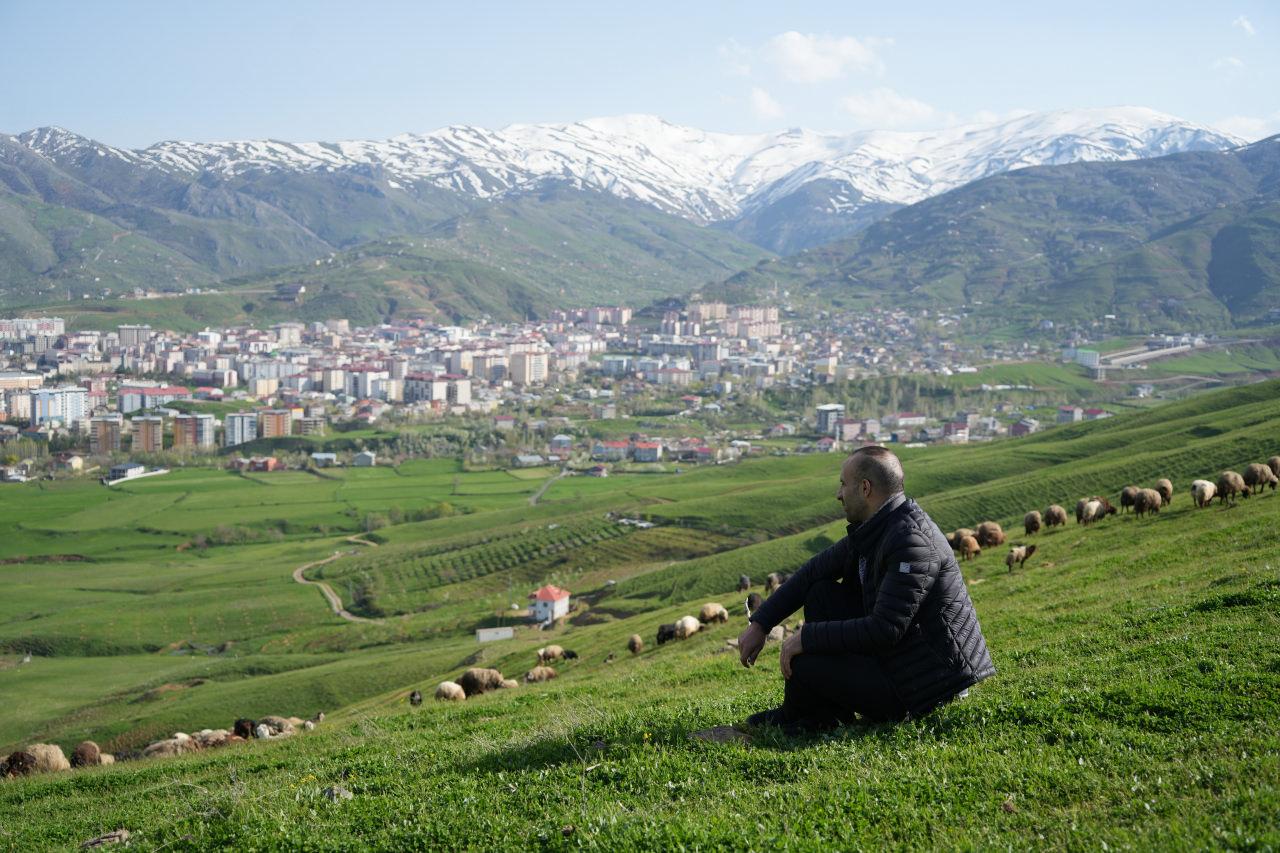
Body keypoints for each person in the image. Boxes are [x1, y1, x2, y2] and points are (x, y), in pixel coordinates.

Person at [737, 445, 994, 733]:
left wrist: (807, 638)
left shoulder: (911, 542)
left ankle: (809, 716)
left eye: (843, 485)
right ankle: (817, 713)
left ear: (865, 488)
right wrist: (761, 623)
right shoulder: (880, 527)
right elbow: (813, 572)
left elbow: (885, 629)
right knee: (820, 591)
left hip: (926, 686)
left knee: (806, 659)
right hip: (903, 659)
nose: (838, 494)